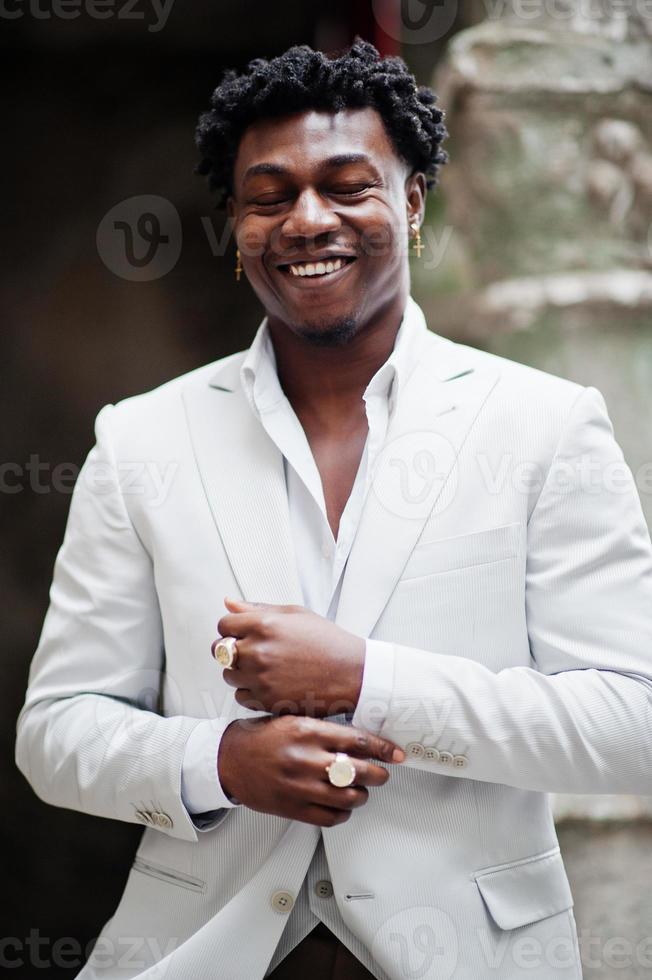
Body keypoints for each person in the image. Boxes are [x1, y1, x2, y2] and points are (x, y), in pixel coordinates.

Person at [15, 38, 652, 980]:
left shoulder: (544, 425)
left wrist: (366, 679)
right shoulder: (144, 439)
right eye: (269, 197)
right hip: (203, 952)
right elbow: (56, 733)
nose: (308, 219)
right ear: (237, 227)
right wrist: (219, 764)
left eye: (349, 185)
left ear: (414, 203)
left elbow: (631, 725)